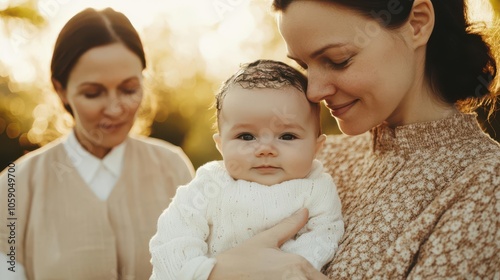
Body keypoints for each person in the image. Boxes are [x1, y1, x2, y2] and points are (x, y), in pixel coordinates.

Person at [206, 0, 500, 279]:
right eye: (305, 67)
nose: (314, 92)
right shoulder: (316, 158)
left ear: (417, 23)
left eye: (338, 60)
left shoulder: (487, 183)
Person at [0, 7, 194, 280]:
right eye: (93, 93)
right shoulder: (14, 185)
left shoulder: (173, 169)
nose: (115, 109)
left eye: (129, 90)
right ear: (61, 90)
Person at [149, 59, 344, 280]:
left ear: (316, 147)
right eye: (246, 136)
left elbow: (323, 237)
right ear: (221, 146)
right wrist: (205, 273)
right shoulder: (209, 184)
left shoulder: (317, 189)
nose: (265, 149)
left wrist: (284, 270)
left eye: (287, 136)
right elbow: (172, 240)